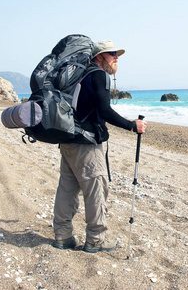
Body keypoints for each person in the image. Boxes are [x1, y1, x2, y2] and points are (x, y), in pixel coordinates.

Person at [52, 40, 147, 253]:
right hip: (86, 144)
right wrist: (132, 126)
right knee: (96, 189)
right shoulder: (99, 74)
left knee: (67, 189)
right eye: (112, 53)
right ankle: (95, 240)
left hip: (68, 139)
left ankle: (62, 236)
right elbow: (105, 110)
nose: (116, 57)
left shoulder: (80, 75)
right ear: (99, 56)